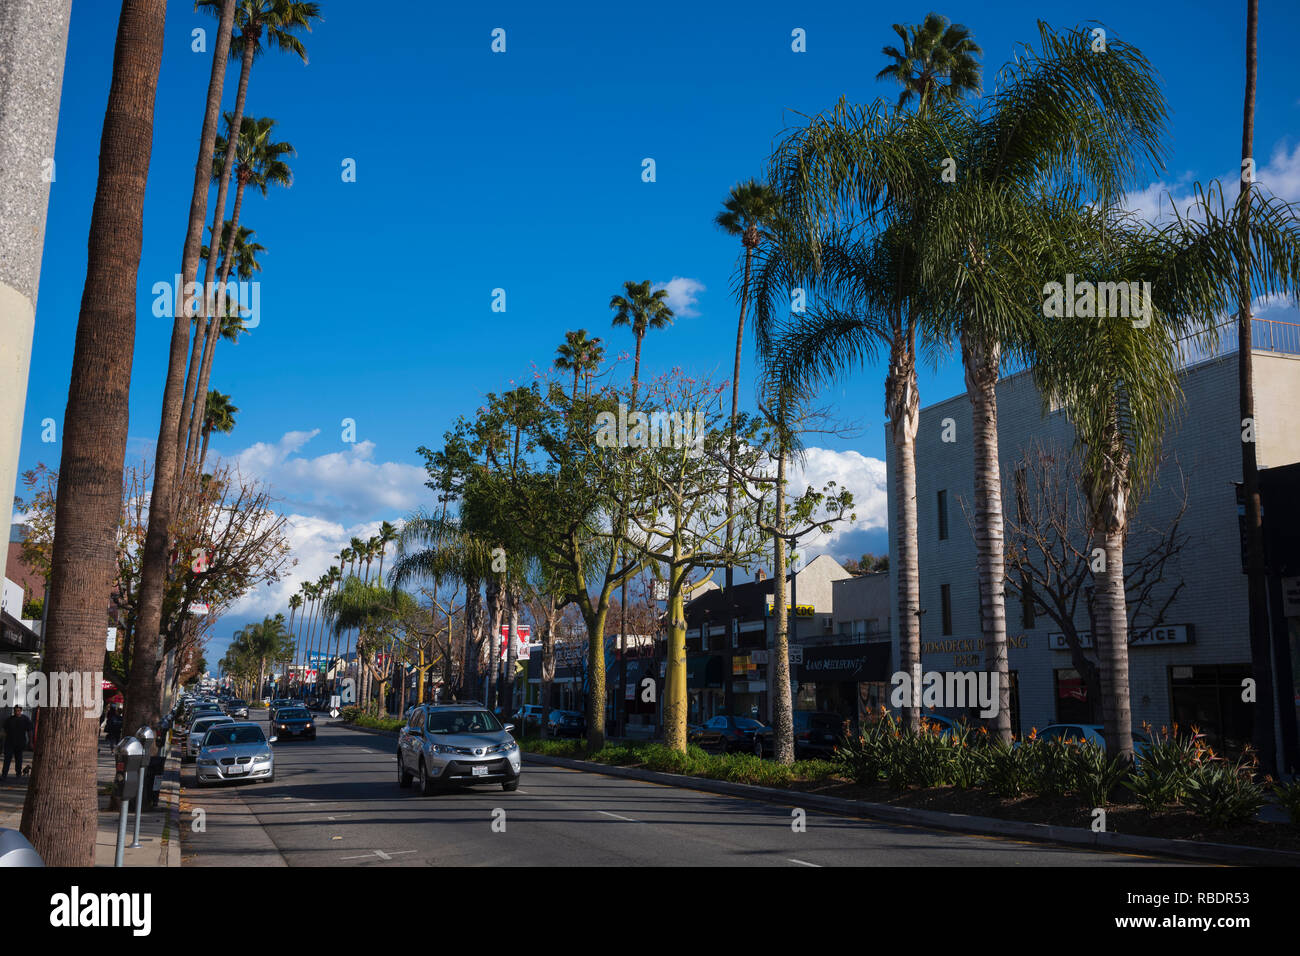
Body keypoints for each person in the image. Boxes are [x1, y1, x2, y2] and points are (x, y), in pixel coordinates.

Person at [2, 706, 34, 781]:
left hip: (20, 743)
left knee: (19, 759)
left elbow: (30, 731)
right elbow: (4, 730)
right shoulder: (9, 719)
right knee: (7, 759)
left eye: (19, 711)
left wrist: (30, 742)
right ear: (14, 711)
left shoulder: (25, 719)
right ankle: (4, 774)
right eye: (16, 711)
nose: (17, 712)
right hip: (9, 743)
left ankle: (18, 774)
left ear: (21, 711)